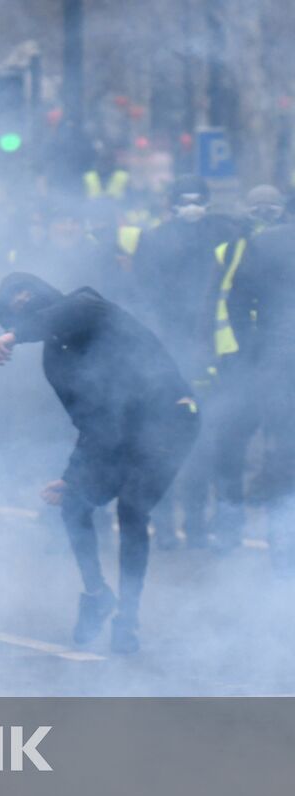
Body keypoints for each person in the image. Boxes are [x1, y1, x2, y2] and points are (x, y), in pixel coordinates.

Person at [0, 273, 198, 654]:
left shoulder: (90, 307)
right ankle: (96, 594)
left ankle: (128, 620)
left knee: (133, 509)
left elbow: (76, 309)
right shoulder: (54, 362)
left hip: (170, 419)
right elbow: (89, 422)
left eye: (25, 292)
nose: (22, 301)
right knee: (73, 506)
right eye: (13, 305)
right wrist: (73, 477)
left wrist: (14, 336)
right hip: (119, 436)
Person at [131, 175, 241, 547]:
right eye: (185, 199)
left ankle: (195, 527)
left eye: (198, 199)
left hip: (208, 351)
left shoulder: (224, 234)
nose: (192, 206)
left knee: (203, 442)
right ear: (172, 203)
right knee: (160, 444)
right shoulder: (154, 239)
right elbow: (145, 296)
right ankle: (162, 528)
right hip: (166, 354)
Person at [206, 185, 285, 549]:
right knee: (230, 444)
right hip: (239, 363)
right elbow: (218, 304)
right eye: (259, 207)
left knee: (280, 446)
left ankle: (279, 532)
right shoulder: (231, 248)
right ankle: (230, 521)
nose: (265, 213)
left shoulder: (274, 244)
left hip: (271, 363)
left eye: (272, 207)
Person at [226, 206, 295, 574]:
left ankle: (283, 550)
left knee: (285, 454)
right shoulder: (268, 243)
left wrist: (254, 350)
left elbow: (237, 302)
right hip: (281, 363)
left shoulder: (265, 242)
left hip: (278, 364)